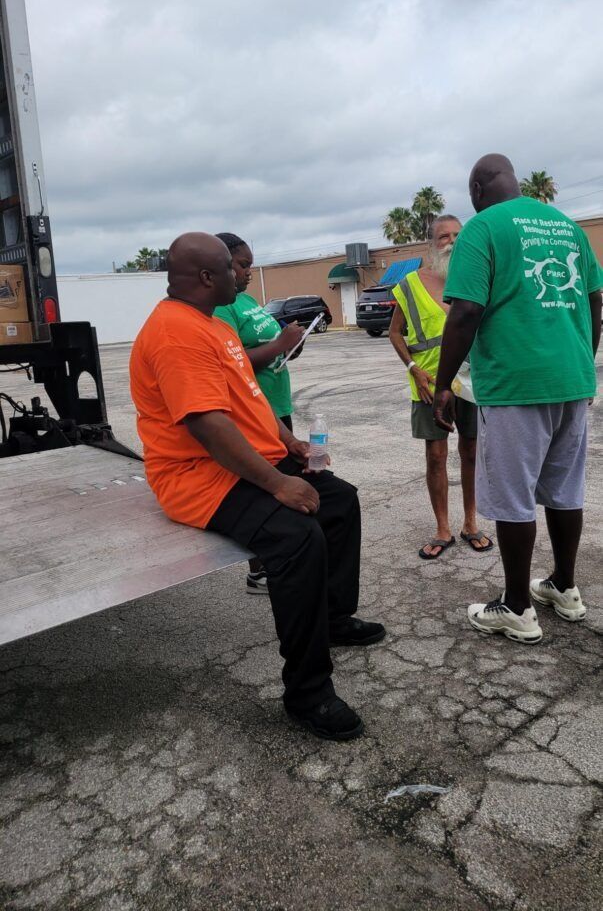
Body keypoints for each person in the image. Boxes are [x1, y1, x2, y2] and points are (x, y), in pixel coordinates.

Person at [129, 232, 386, 741]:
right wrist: (277, 485)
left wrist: (288, 445)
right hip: (195, 475)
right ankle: (307, 692)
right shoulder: (176, 333)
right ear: (206, 277)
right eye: (231, 267)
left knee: (338, 500)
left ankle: (333, 620)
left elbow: (248, 399)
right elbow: (208, 424)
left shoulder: (214, 325)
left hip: (242, 460)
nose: (240, 273)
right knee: (296, 536)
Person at [434, 154, 602, 644]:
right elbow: (594, 301)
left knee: (513, 497)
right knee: (565, 490)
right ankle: (565, 588)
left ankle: (516, 607)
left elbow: (465, 310)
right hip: (572, 380)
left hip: (515, 383)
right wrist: (581, 366)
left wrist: (443, 383)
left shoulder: (483, 229)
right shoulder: (568, 227)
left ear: (478, 189)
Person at [389, 215, 493, 559]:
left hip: (471, 382)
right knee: (436, 456)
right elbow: (395, 332)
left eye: (456, 235)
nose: (451, 241)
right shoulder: (409, 284)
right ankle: (442, 528)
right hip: (430, 385)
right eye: (443, 237)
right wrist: (414, 368)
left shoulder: (479, 276)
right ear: (431, 245)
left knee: (472, 452)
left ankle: (470, 524)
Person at [213, 232, 304, 594]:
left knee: (293, 478)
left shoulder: (247, 299)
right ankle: (260, 571)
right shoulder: (223, 307)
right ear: (222, 265)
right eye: (243, 264)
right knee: (265, 487)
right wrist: (279, 344)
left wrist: (289, 347)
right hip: (252, 413)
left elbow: (271, 346)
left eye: (251, 264)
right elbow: (233, 363)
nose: (249, 272)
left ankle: (284, 558)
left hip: (277, 406)